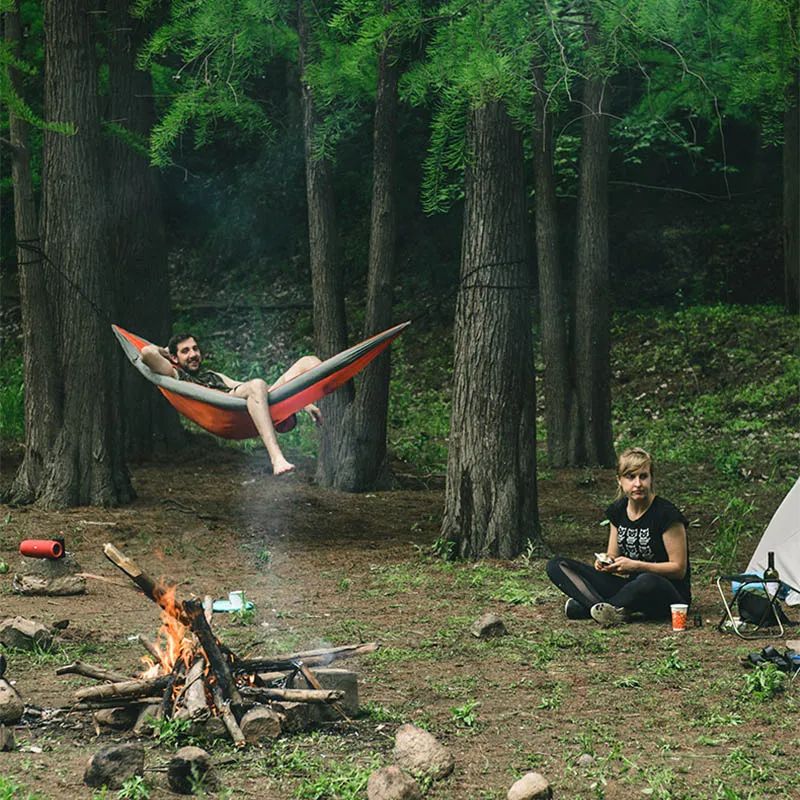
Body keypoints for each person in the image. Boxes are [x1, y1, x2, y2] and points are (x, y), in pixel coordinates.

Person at [545, 447, 690, 627]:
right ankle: (606, 609)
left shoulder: (667, 514)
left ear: (651, 478)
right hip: (630, 588)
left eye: (643, 476)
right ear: (619, 480)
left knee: (646, 579)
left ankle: (590, 607)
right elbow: (612, 554)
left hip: (667, 594)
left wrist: (636, 566)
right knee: (557, 565)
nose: (637, 483)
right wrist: (606, 563)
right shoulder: (618, 511)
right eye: (630, 477)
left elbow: (678, 569)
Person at [141, 332, 322, 477]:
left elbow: (248, 387)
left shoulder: (213, 374)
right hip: (226, 415)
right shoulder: (176, 375)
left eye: (195, 349)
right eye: (185, 351)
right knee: (256, 385)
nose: (193, 354)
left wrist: (302, 403)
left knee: (308, 362)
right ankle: (276, 457)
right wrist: (164, 352)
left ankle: (287, 413)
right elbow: (146, 353)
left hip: (242, 403)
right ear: (174, 357)